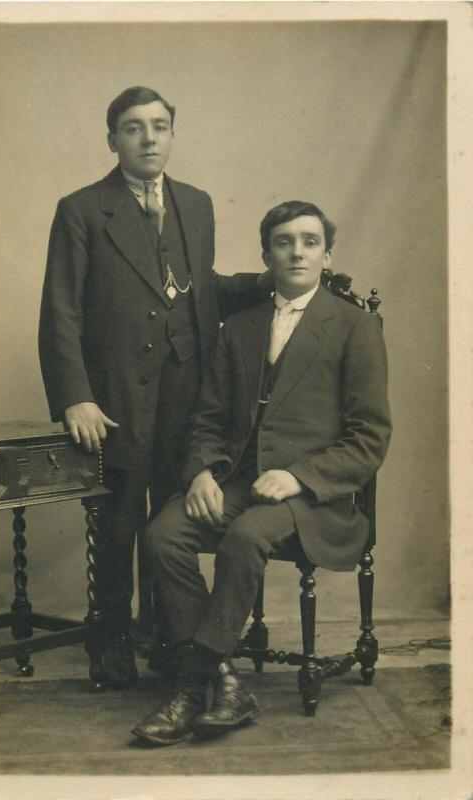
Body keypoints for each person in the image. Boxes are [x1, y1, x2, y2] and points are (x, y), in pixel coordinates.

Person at [131, 200, 392, 745]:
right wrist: (202, 472)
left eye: (309, 241)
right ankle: (226, 682)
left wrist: (299, 478)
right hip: (239, 484)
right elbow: (206, 418)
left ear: (327, 253)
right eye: (283, 241)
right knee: (163, 534)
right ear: (265, 254)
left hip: (313, 498)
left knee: (247, 536)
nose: (297, 251)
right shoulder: (240, 327)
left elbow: (369, 436)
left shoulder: (355, 326)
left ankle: (191, 684)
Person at [38, 86, 269, 689]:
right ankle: (110, 641)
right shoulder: (83, 208)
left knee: (171, 516)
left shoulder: (196, 203)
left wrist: (270, 285)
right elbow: (60, 309)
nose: (148, 139)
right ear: (112, 138)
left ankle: (166, 636)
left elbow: (201, 290)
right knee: (117, 522)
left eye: (160, 127)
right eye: (134, 128)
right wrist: (74, 396)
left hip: (186, 394)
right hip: (113, 398)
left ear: (173, 134)